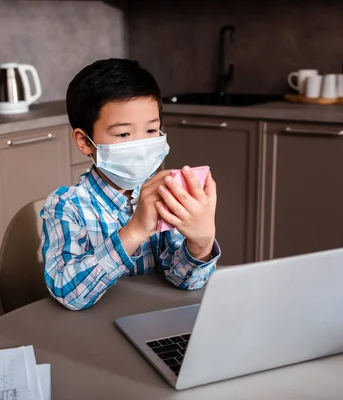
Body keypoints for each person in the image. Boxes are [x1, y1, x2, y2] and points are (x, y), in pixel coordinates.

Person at [40, 58, 221, 310]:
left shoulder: (166, 193)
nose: (141, 147)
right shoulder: (66, 206)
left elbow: (183, 280)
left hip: (156, 321)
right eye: (123, 134)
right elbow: (68, 293)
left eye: (151, 131)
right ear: (84, 141)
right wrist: (134, 231)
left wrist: (200, 244)